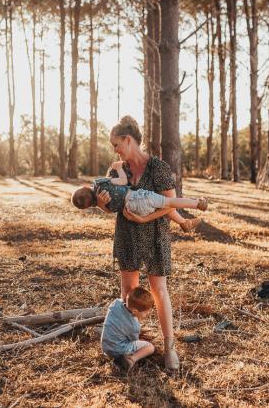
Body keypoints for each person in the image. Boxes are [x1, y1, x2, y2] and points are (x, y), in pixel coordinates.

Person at [96, 115, 181, 370]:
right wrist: (102, 205)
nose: (115, 150)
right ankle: (130, 346)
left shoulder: (159, 168)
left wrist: (146, 220)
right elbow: (112, 207)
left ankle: (169, 348)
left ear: (128, 140)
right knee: (129, 292)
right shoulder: (116, 170)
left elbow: (171, 205)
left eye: (116, 144)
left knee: (159, 291)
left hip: (155, 234)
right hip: (126, 234)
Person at [71, 161, 208, 232]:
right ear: (84, 186)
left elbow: (109, 211)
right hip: (138, 198)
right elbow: (123, 181)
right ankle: (197, 203)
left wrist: (100, 204)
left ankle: (184, 223)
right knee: (169, 201)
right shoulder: (103, 184)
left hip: (133, 210)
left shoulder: (102, 203)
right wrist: (119, 168)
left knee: (166, 205)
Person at [101, 286, 155, 371]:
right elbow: (134, 341)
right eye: (146, 312)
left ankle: (118, 358)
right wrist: (140, 341)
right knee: (150, 347)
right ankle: (130, 360)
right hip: (119, 351)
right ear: (135, 311)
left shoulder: (115, 303)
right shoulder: (134, 326)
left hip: (106, 347)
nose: (147, 314)